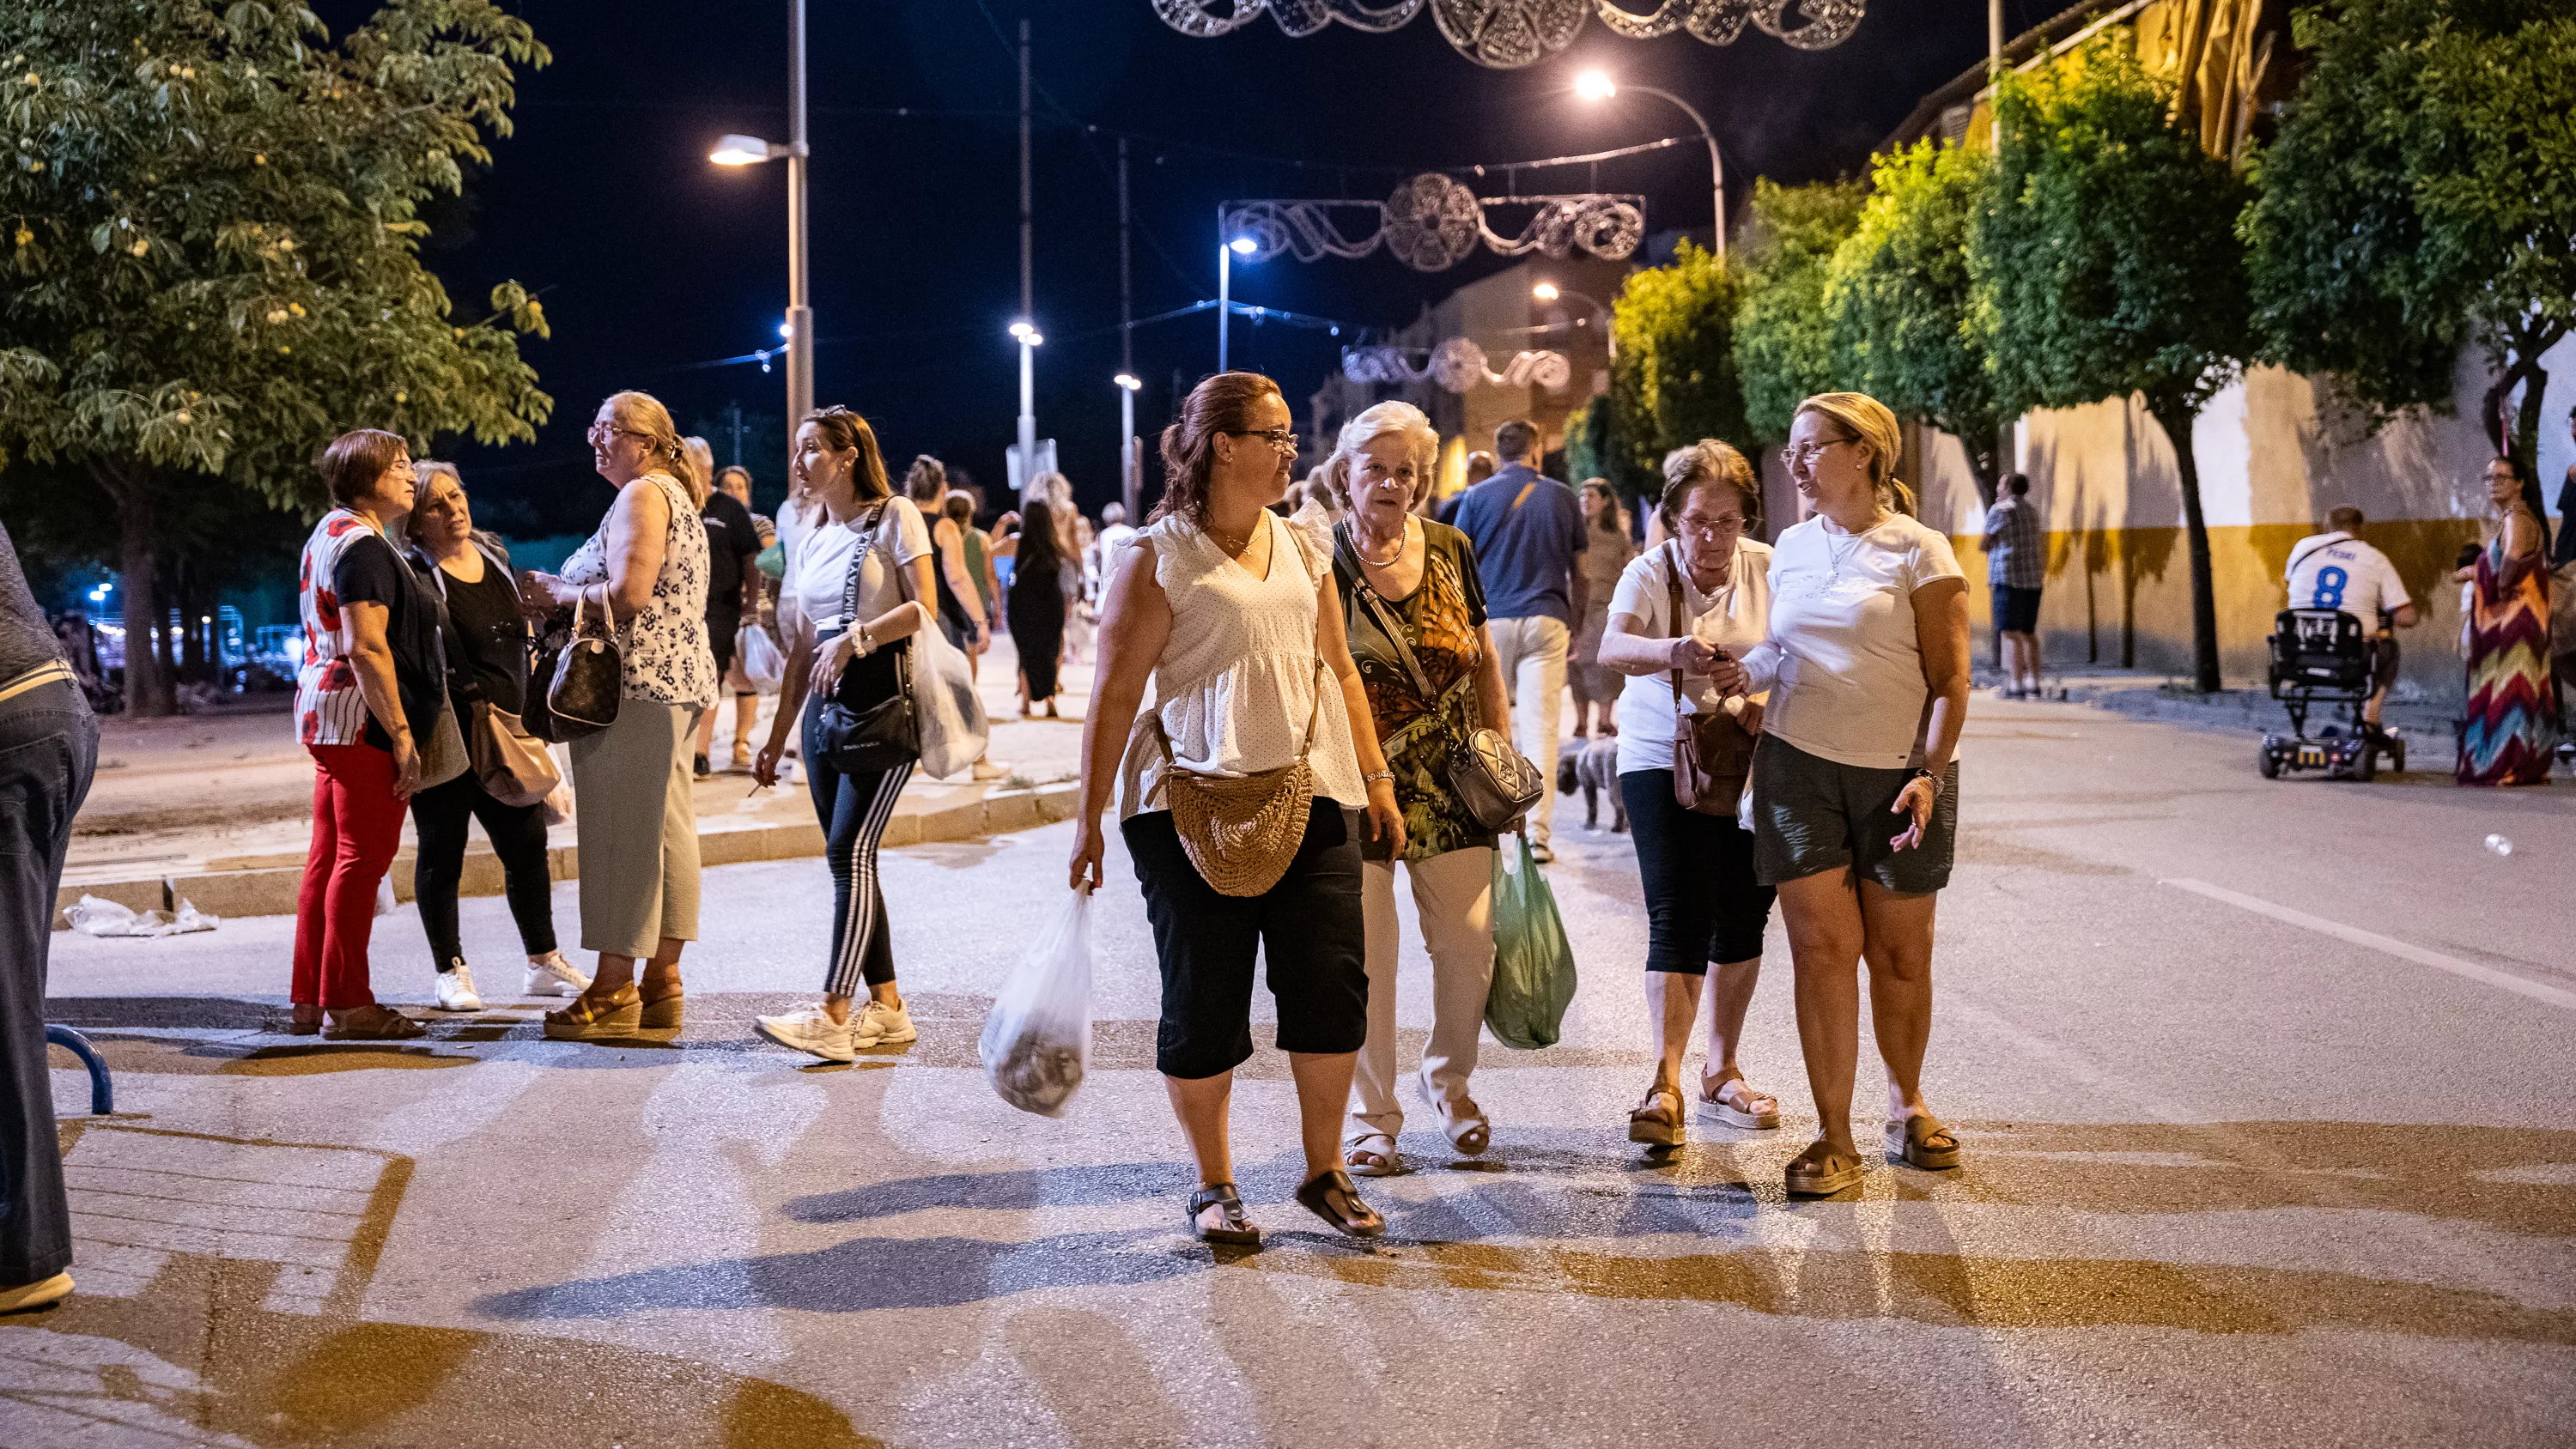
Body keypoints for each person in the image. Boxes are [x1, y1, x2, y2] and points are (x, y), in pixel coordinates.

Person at [1071, 370, 1406, 1245]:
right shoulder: (1154, 554)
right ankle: (1214, 1183)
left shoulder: (1306, 544)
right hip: (1184, 799)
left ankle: (1324, 1170)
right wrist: (1087, 819)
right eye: (1277, 434)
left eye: (1292, 436)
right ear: (1224, 443)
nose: (1292, 451)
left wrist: (1375, 778)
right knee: (1204, 994)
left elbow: (1339, 668)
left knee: (1331, 984)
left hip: (1316, 785)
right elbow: (1114, 695)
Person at [1710, 391, 1970, 1197]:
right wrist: (1741, 671)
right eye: (1791, 450)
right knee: (1822, 952)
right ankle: (1832, 1136)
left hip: (1901, 777)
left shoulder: (1920, 552)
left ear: (1864, 453)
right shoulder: (1788, 547)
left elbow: (1952, 681)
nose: (1794, 465)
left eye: (1811, 448)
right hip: (1797, 767)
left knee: (1900, 955)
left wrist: (1930, 772)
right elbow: (1783, 650)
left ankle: (1907, 1102)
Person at [1324, 402, 1514, 1179]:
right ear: (1346, 474)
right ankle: (1375, 1121)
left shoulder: (1451, 548)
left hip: (1454, 781)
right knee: (1367, 957)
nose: (1393, 484)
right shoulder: (1320, 559)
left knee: (1468, 947)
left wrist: (1501, 750)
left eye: (1407, 472)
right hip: (1357, 781)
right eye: (1377, 468)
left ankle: (1450, 1081)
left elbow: (1486, 658)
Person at [1597, 441, 1780, 1149]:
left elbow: (1801, 646)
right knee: (1677, 911)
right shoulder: (1650, 571)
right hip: (1659, 754)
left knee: (1743, 913)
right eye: (1699, 521)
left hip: (1754, 758)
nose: (1713, 537)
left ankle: (1721, 1069)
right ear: (1673, 517)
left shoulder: (1769, 567)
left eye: (1727, 522)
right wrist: (1672, 651)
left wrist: (1768, 692)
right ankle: (1664, 1083)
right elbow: (1613, 646)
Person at [518, 391, 717, 1040]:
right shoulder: (676, 498)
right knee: (665, 831)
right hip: (677, 684)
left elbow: (629, 594)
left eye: (611, 429)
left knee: (620, 836)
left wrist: (558, 592)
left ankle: (611, 991)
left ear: (651, 442)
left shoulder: (641, 496)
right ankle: (662, 981)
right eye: (594, 427)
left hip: (629, 687)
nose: (596, 440)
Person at [750, 407, 933, 1062]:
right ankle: (886, 1007)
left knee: (846, 854)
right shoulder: (809, 532)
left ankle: (832, 1013)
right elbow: (801, 646)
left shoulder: (894, 516)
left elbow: (924, 608)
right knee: (851, 857)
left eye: (811, 450)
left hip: (882, 701)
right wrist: (775, 739)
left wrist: (858, 640)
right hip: (822, 716)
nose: (799, 462)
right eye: (796, 451)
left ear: (849, 454)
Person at [404, 463, 586, 1011]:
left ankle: (543, 962)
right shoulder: (413, 572)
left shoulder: (493, 556)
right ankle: (450, 970)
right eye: (436, 506)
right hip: (448, 733)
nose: (453, 510)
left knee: (527, 845)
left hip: (507, 729)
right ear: (414, 523)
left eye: (456, 496)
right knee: (443, 849)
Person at [289, 430, 445, 1040]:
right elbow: (366, 647)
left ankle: (312, 998)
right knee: (361, 862)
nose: (412, 475)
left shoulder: (329, 533)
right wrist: (402, 737)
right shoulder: (366, 548)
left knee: (329, 859)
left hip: (324, 715)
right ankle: (349, 1004)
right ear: (366, 478)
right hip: (360, 721)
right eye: (399, 466)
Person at [0, 519, 99, 1314]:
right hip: (49, 714)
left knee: (2, 1007)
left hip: (8, 732)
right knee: (11, 994)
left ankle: (22, 1254)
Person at [1448, 418, 1588, 862]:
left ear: (1500, 450)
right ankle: (1538, 838)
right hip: (1548, 619)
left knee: (1483, 729)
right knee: (1542, 728)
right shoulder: (1563, 497)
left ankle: (1485, 828)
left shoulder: (1474, 498)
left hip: (1491, 622)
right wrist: (1575, 624)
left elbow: (1459, 569)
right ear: (1536, 450)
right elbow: (1580, 575)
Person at [2455, 454, 2556, 786]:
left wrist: (2497, 587)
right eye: (2489, 477)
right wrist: (2476, 571)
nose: (2493, 483)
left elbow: (2512, 560)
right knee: (2523, 690)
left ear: (2520, 483)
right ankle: (2524, 763)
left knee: (2512, 689)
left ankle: (2506, 763)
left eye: (2502, 477)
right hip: (2519, 618)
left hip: (2515, 620)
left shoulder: (2517, 519)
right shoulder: (2515, 518)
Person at [2283, 506, 2420, 737]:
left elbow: (2294, 586)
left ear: (2327, 527)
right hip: (2351, 657)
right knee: (2388, 648)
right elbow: (2406, 617)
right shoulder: (2375, 558)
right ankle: (2370, 718)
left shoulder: (2302, 548)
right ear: (2360, 529)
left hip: (2299, 654)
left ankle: (2300, 731)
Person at [692, 443, 763, 778]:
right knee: (702, 677)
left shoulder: (729, 511)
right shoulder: (675, 503)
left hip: (721, 608)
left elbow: (753, 558)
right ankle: (694, 750)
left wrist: (751, 603)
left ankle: (702, 753)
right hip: (684, 608)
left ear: (706, 469)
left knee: (711, 676)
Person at [714, 464, 775, 764]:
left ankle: (741, 741)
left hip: (752, 612)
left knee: (746, 679)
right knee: (718, 676)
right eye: (727, 487)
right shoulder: (710, 522)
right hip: (719, 609)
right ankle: (701, 751)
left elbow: (769, 563)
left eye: (740, 486)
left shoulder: (760, 524)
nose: (734, 492)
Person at [1568, 478, 1637, 738]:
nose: (1585, 499)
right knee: (1574, 663)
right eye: (1583, 495)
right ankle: (1582, 721)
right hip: (1575, 604)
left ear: (1605, 500)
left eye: (1592, 495)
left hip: (1604, 605)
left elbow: (1627, 568)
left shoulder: (1617, 536)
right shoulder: (1574, 533)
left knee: (1600, 662)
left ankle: (1605, 720)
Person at [906, 455, 990, 658]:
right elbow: (957, 577)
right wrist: (980, 622)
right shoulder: (945, 527)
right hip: (941, 618)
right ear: (943, 489)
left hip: (905, 617)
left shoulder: (900, 523)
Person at [1003, 499, 1071, 718]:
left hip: (1022, 602)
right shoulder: (1054, 544)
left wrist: (1003, 524)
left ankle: (1025, 703)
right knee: (1050, 650)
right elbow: (1074, 560)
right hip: (1050, 600)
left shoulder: (1017, 541)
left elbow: (990, 549)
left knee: (1026, 651)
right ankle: (1051, 701)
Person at [1982, 472, 2044, 698]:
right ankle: (2034, 682)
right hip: (2033, 578)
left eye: (2000, 483)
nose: (1998, 487)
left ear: (2008, 488)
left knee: (2010, 633)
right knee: (2029, 632)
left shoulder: (2000, 510)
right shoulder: (2032, 512)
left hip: (2007, 577)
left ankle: (2016, 683)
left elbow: (1984, 542)